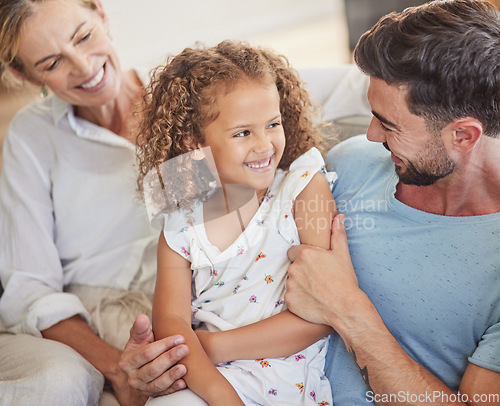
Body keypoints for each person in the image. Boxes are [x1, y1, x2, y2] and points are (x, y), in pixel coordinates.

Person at [120, 0, 500, 404]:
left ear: (464, 135)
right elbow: (172, 177)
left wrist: (347, 310)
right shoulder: (350, 161)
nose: (370, 135)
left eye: (388, 124)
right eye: (372, 114)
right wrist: (153, 366)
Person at [0, 1, 188, 404]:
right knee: (55, 384)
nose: (83, 67)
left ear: (101, 14)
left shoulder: (186, 92)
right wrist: (121, 368)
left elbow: (287, 93)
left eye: (83, 36)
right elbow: (29, 290)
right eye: (51, 62)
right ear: (24, 74)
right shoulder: (32, 137)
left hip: (186, 298)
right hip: (88, 319)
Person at [135, 40, 336, 405]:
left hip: (284, 380)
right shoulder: (180, 220)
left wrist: (212, 345)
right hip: (208, 380)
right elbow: (172, 323)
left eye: (272, 124)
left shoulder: (302, 188)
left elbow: (325, 313)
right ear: (195, 141)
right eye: (243, 133)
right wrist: (222, 396)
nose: (264, 145)